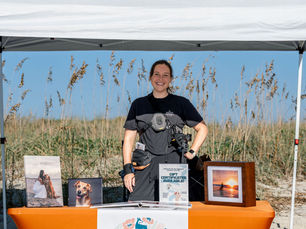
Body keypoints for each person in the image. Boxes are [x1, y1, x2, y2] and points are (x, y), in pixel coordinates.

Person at [123, 59, 208, 201]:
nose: (160, 79)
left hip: (173, 166)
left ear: (171, 79)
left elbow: (203, 128)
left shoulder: (181, 103)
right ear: (150, 77)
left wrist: (192, 152)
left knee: (174, 208)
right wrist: (127, 170)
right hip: (145, 164)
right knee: (139, 206)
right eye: (156, 74)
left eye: (165, 75)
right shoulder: (139, 104)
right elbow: (129, 139)